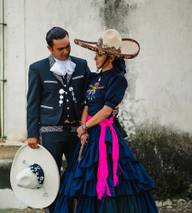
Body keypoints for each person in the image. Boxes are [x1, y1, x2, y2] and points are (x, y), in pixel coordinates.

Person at [54, 29, 158, 212]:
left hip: (105, 136)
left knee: (108, 178)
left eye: (99, 54)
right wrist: (82, 129)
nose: (95, 58)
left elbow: (106, 110)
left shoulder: (118, 80)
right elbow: (87, 105)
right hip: (87, 134)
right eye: (96, 53)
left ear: (110, 57)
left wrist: (86, 125)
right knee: (80, 178)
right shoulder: (94, 77)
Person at [25, 26, 91, 212]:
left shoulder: (82, 65)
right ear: (50, 49)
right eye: (60, 48)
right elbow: (32, 103)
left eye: (68, 46)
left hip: (76, 132)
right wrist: (32, 133)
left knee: (77, 173)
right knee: (51, 176)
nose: (66, 51)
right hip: (49, 131)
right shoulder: (37, 68)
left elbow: (93, 92)